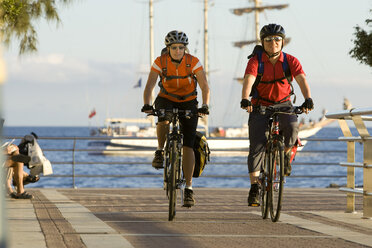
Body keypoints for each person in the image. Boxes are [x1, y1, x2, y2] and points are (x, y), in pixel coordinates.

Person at [240, 24, 314, 206]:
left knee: (292, 128)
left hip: (284, 103)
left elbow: (301, 79)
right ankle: (254, 187)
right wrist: (245, 99)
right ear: (262, 42)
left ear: (282, 42)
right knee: (257, 144)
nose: (273, 43)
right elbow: (249, 79)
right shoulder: (256, 61)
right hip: (260, 105)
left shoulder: (290, 60)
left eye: (277, 39)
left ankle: (286, 155)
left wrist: (308, 98)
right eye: (268, 39)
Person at [142, 30, 210, 207]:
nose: (178, 51)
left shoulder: (193, 62)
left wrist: (205, 105)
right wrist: (147, 103)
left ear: (185, 48)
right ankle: (160, 150)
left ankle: (188, 189)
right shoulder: (160, 61)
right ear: (168, 48)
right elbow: (150, 84)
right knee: (163, 119)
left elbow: (204, 85)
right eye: (174, 48)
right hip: (166, 98)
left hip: (188, 101)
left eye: (181, 47)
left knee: (188, 144)